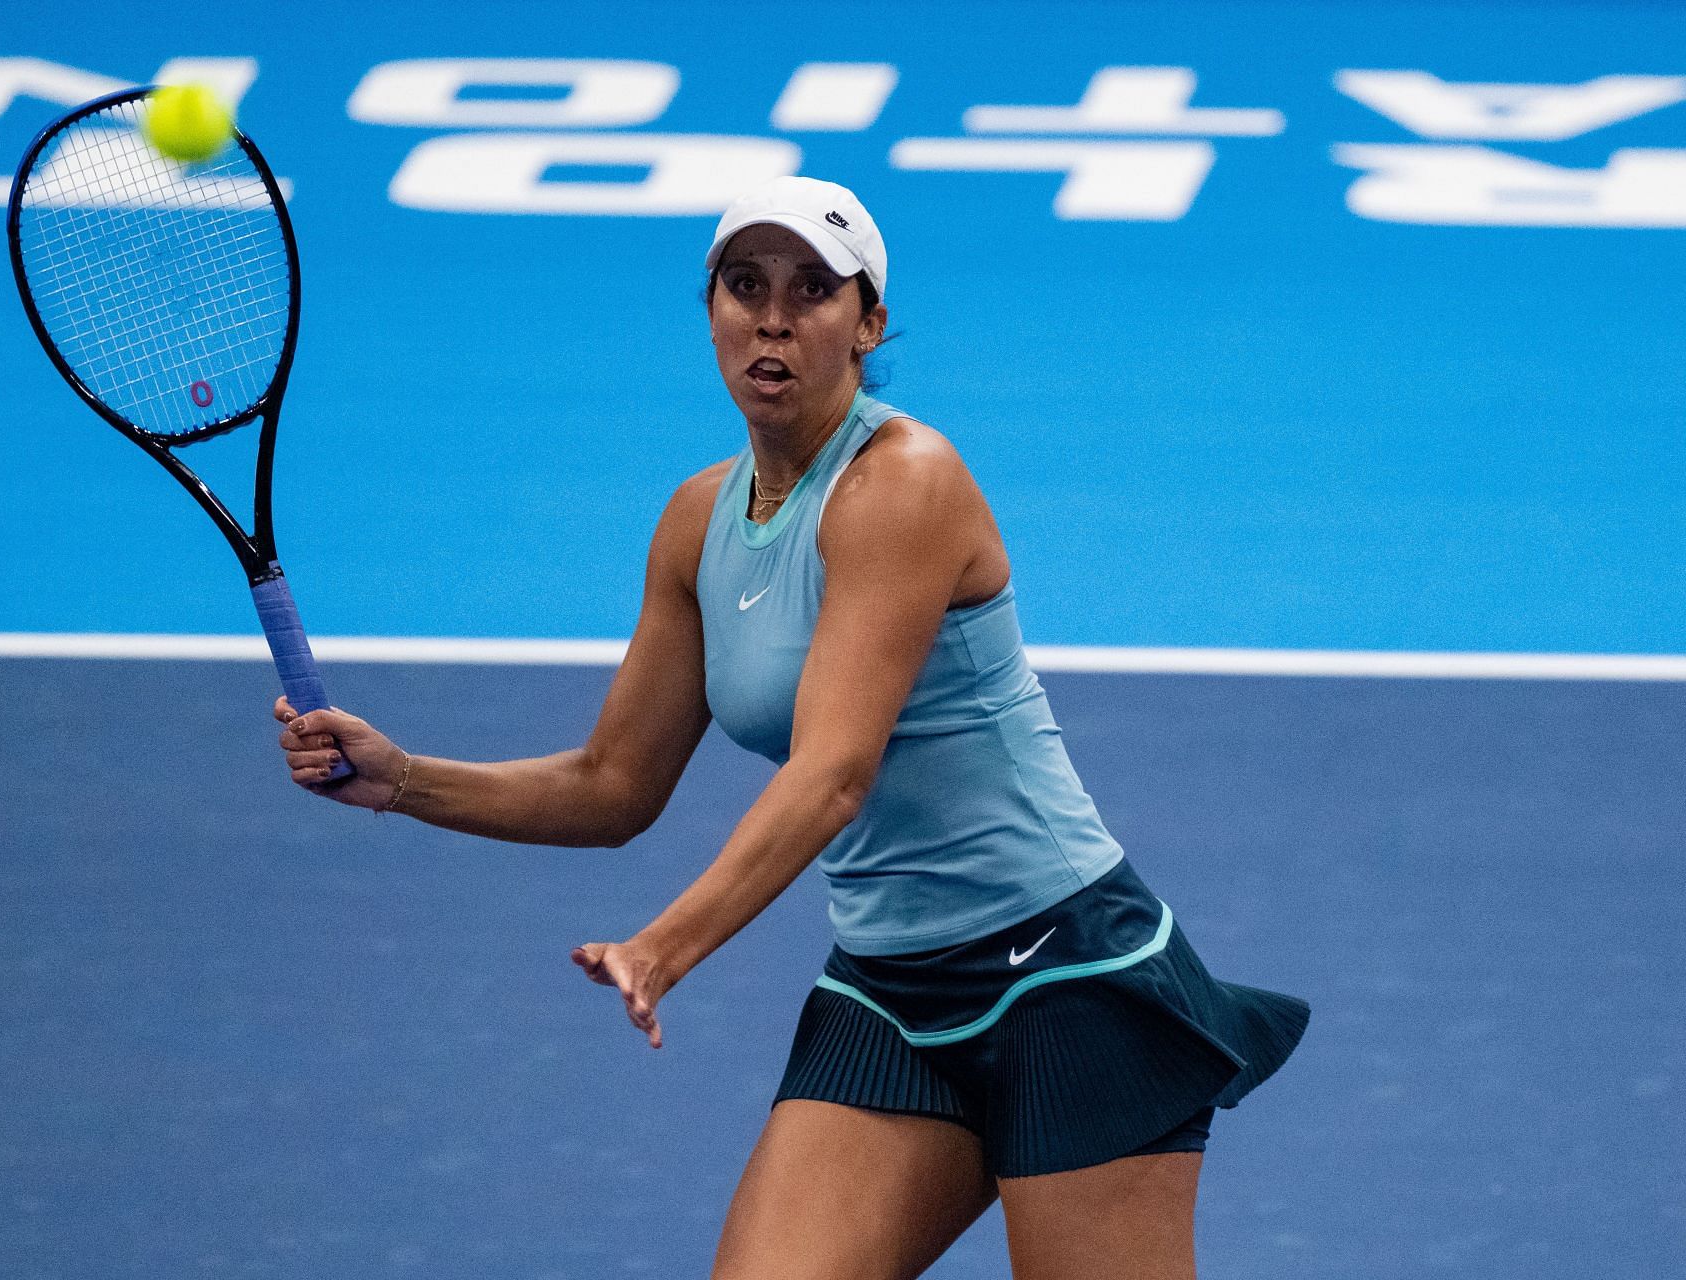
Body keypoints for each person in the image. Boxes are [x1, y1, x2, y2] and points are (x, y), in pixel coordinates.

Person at [274, 176, 1308, 1280]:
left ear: (868, 326)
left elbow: (832, 774)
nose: (773, 317)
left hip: (1066, 977)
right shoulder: (694, 521)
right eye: (745, 285)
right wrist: (403, 778)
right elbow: (613, 781)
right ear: (711, 309)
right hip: (893, 987)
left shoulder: (904, 483)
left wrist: (661, 946)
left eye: (814, 290)